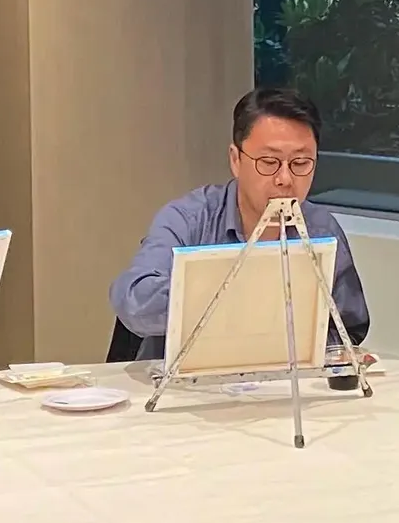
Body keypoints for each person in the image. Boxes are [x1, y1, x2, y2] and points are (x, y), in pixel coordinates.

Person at [108, 86, 368, 357]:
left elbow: (348, 327)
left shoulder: (320, 229)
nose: (285, 179)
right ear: (235, 159)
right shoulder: (189, 220)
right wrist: (232, 296)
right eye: (269, 162)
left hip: (282, 388)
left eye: (301, 163)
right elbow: (133, 301)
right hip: (186, 390)